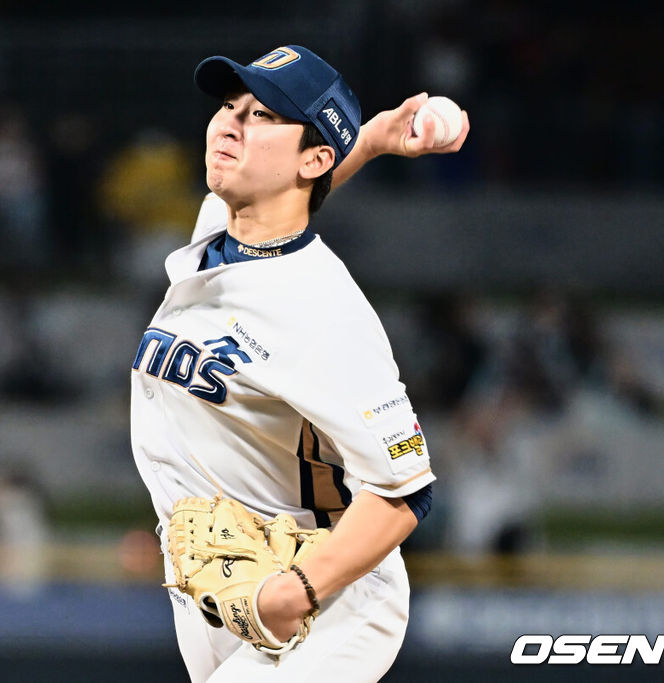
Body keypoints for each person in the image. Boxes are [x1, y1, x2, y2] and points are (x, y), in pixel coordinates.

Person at [129, 45, 468, 682]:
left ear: (312, 158)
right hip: (221, 592)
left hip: (325, 604)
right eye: (230, 106)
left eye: (262, 116)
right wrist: (367, 141)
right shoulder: (222, 232)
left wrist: (297, 593)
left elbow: (405, 489)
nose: (229, 122)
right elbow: (295, 197)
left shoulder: (325, 311)